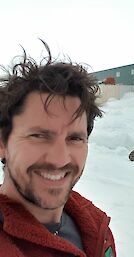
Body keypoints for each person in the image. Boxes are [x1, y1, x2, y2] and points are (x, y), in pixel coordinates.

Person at [0, 41, 116, 257]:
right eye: (39, 136)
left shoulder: (96, 228)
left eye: (74, 138)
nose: (59, 159)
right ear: (2, 144)